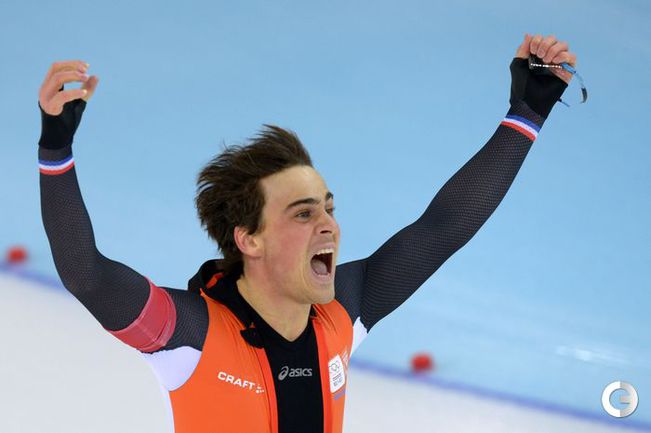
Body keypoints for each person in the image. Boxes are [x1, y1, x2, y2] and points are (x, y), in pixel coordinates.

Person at [38, 33, 576, 433]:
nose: (329, 227)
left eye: (328, 208)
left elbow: (443, 228)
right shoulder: (188, 334)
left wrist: (526, 115)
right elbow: (87, 274)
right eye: (302, 214)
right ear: (249, 239)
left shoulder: (344, 308)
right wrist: (56, 152)